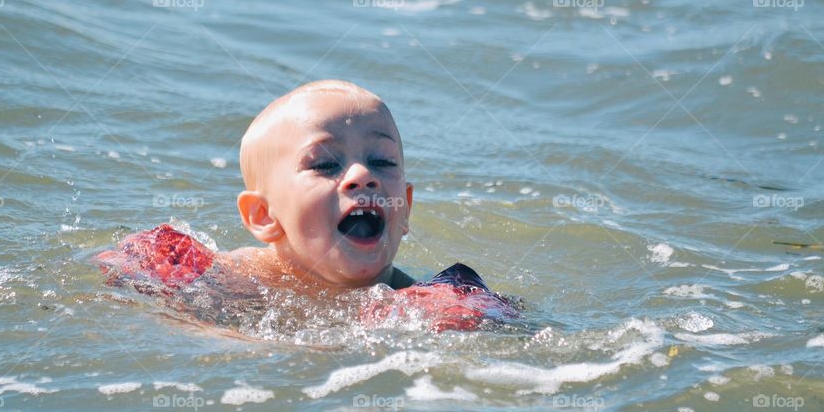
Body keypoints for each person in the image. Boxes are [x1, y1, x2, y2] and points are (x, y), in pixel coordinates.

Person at [96, 80, 522, 331]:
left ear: (405, 208)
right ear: (263, 217)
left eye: (382, 161)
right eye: (324, 164)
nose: (362, 175)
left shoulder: (431, 301)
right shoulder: (222, 281)